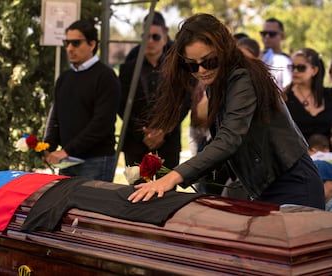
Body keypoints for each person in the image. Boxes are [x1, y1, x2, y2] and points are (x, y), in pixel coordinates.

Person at [128, 13, 325, 210]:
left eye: (209, 61)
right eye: (192, 65)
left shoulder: (242, 77)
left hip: (293, 183)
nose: (202, 70)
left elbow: (229, 139)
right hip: (267, 185)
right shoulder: (217, 82)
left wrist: (173, 177)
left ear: (223, 50)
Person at [44, 20, 121, 182]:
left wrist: (67, 150)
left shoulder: (105, 77)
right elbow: (56, 116)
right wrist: (46, 146)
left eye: (76, 43)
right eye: (67, 42)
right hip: (67, 162)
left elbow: (101, 123)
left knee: (92, 207)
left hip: (96, 160)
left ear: (92, 44)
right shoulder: (64, 78)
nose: (70, 48)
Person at [118, 12, 189, 169]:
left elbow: (184, 101)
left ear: (164, 38)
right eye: (145, 36)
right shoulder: (128, 69)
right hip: (136, 144)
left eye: (155, 37)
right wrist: (142, 133)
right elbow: (121, 104)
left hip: (168, 143)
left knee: (167, 192)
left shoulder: (178, 68)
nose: (149, 41)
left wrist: (164, 130)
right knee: (136, 192)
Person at [283, 48, 332, 150]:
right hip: (297, 158)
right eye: (292, 67)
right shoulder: (284, 97)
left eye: (301, 68)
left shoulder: (329, 95)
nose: (295, 71)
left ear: (314, 70)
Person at [260, 18, 292, 89]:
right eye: (264, 34)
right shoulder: (255, 57)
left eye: (272, 34)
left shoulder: (286, 61)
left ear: (282, 36)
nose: (267, 37)